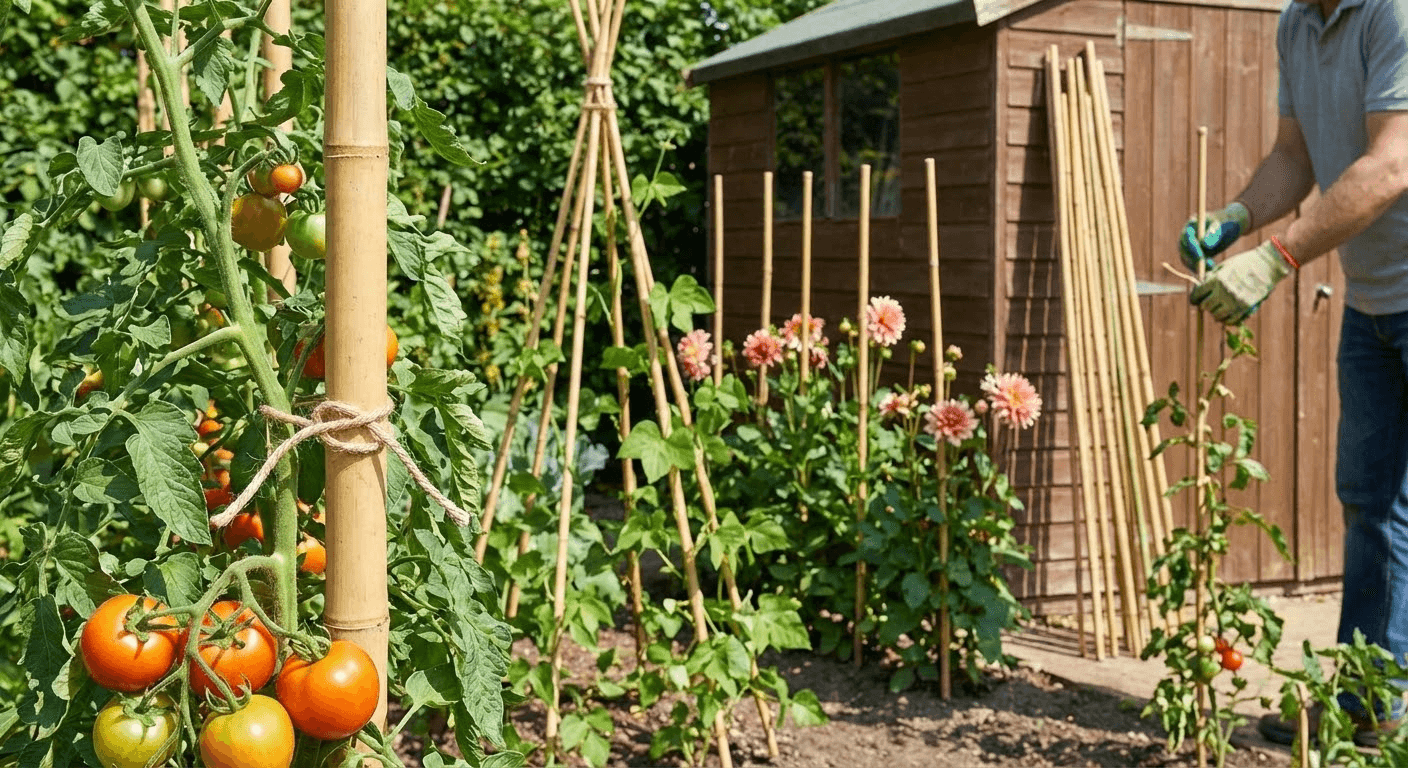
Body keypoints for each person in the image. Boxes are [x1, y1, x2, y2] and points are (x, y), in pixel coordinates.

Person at [1179, 0, 1408, 747]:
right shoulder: (1297, 24)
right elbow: (1295, 156)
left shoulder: (1392, 14)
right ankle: (1371, 707)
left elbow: (1390, 164)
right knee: (1371, 503)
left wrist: (1277, 259)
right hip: (1374, 303)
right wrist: (1239, 218)